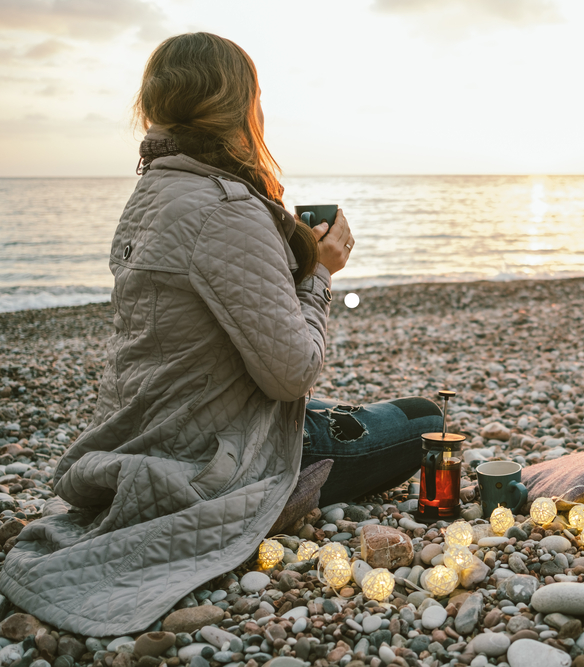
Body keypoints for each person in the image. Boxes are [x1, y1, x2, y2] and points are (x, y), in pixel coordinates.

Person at [0, 32, 441, 636]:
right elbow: (291, 373)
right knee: (427, 421)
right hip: (220, 457)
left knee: (368, 415)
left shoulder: (153, 192)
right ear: (241, 106)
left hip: (152, 428)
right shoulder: (228, 210)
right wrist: (318, 273)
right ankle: (288, 497)